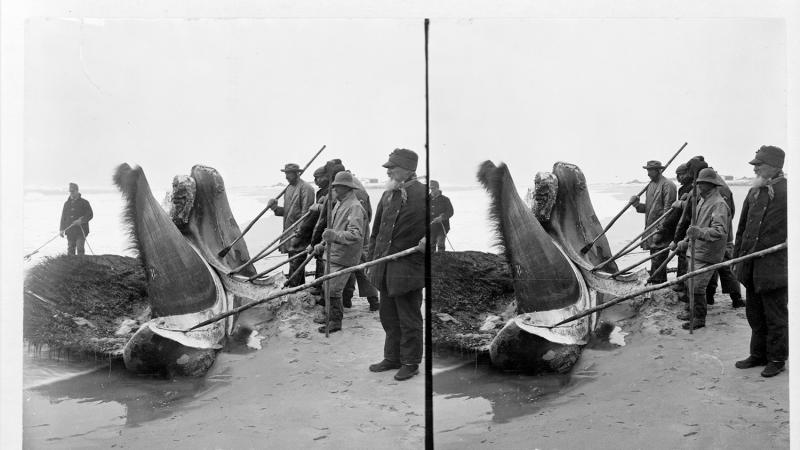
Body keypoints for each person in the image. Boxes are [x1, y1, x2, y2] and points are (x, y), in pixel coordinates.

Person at [367, 148, 426, 381]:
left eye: (392, 167)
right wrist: (371, 260)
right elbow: (377, 231)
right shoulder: (388, 194)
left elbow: (441, 223)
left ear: (408, 170)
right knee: (388, 316)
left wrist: (429, 238)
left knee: (409, 318)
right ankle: (392, 358)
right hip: (384, 267)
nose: (388, 171)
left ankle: (411, 363)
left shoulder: (424, 195)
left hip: (408, 269)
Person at [732, 146, 787, 378]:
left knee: (775, 316)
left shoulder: (788, 192)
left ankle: (776, 359)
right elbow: (742, 228)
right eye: (754, 164)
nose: (755, 168)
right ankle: (758, 354)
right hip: (751, 266)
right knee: (754, 314)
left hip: (774, 268)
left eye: (759, 164)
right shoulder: (754, 191)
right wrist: (736, 258)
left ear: (775, 166)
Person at [672, 168, 731, 330]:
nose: (697, 186)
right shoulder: (702, 201)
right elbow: (694, 226)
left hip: (707, 254)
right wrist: (685, 240)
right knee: (691, 283)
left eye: (700, 184)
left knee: (697, 287)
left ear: (710, 185)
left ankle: (699, 318)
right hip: (695, 250)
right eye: (697, 183)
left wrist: (699, 233)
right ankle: (692, 312)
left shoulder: (719, 204)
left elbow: (720, 231)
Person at [311, 171, 368, 333]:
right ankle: (329, 316)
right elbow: (332, 230)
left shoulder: (355, 207)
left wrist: (333, 236)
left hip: (343, 256)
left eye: (336, 187)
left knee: (334, 289)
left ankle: (335, 322)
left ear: (346, 188)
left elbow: (356, 235)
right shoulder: (339, 204)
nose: (333, 190)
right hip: (333, 253)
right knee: (327, 286)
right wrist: (322, 244)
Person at [267, 163, 315, 287]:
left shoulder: (307, 189)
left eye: (289, 174)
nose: (286, 177)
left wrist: (299, 234)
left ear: (297, 173)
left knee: (296, 262)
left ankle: (294, 288)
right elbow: (288, 213)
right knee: (293, 263)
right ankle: (298, 287)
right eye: (286, 174)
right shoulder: (288, 189)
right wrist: (275, 208)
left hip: (300, 233)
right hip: (289, 232)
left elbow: (306, 215)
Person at [630, 160, 677, 283]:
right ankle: (657, 283)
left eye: (651, 171)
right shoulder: (650, 186)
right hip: (651, 228)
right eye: (647, 170)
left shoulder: (668, 185)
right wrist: (636, 205)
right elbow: (650, 209)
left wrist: (661, 229)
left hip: (662, 230)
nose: (648, 174)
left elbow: (669, 211)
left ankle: (658, 284)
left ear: (659, 170)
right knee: (655, 259)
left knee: (659, 259)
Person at [59, 182, 94, 255]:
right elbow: (63, 217)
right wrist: (61, 229)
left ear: (77, 191)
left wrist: (81, 220)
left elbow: (90, 215)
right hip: (70, 231)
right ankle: (71, 265)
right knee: (70, 249)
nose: (71, 193)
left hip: (81, 231)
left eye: (73, 191)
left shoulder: (84, 202)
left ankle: (81, 265)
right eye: (70, 191)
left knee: (80, 248)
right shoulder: (66, 203)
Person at [429, 180, 454, 253]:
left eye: (433, 188)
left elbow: (450, 212)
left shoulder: (445, 199)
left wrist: (442, 217)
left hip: (442, 227)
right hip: (431, 227)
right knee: (431, 245)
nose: (432, 190)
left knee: (440, 244)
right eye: (430, 188)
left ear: (438, 188)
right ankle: (433, 261)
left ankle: (441, 260)